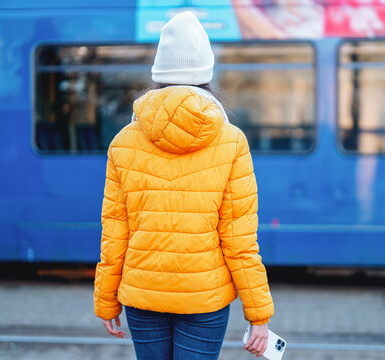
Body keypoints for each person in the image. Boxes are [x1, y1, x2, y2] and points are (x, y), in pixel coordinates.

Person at [93, 11, 274, 359]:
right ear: (205, 74)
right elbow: (239, 241)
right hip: (204, 298)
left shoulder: (123, 142)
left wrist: (105, 300)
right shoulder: (231, 141)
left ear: (159, 74)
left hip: (142, 295)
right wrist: (258, 313)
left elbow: (114, 234)